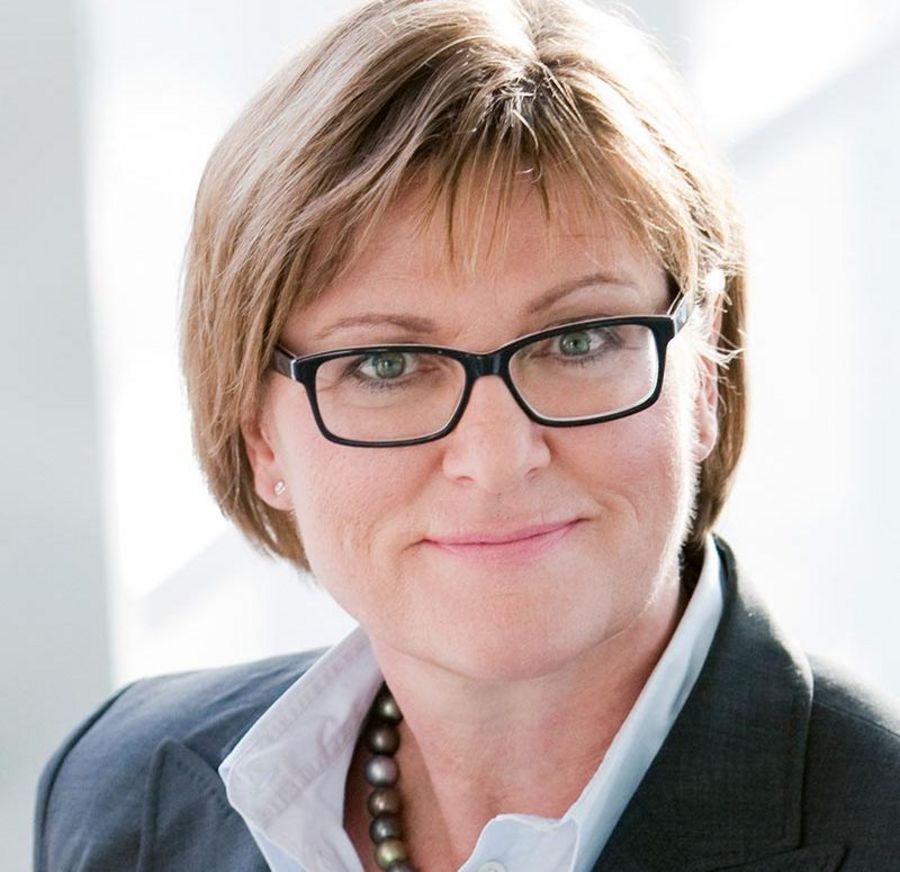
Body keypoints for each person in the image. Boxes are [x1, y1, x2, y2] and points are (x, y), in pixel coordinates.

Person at [34, 0, 900, 870]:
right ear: (260, 436)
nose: (496, 459)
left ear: (702, 371)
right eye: (385, 366)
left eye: (579, 342)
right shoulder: (121, 797)